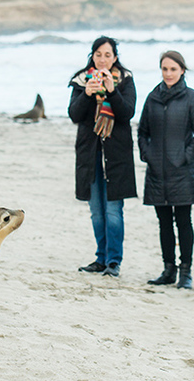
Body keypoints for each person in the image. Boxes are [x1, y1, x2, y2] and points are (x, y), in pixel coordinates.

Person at [137, 51, 194, 289]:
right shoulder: (152, 97)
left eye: (173, 69)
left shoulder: (192, 97)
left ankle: (185, 273)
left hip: (183, 172)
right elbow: (142, 132)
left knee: (183, 221)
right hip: (157, 171)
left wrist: (185, 157)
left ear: (182, 71)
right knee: (164, 222)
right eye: (165, 69)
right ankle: (168, 270)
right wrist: (148, 155)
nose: (168, 74)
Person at [68, 36, 138, 278]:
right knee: (96, 210)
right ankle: (100, 258)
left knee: (113, 210)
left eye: (108, 55)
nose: (103, 59)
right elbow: (74, 115)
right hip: (90, 153)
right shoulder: (81, 79)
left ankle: (113, 261)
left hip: (116, 154)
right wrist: (86, 94)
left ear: (115, 58)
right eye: (98, 54)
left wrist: (112, 90)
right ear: (93, 56)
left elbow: (127, 113)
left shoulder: (125, 80)